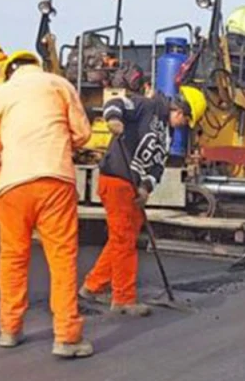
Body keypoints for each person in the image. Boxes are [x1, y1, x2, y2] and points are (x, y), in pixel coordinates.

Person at [0, 50, 94, 359]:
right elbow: (83, 134)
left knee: (13, 257)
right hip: (55, 180)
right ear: (36, 66)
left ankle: (10, 329)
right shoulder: (59, 85)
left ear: (10, 71)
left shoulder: (2, 94)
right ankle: (67, 337)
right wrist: (68, 142)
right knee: (62, 258)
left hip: (13, 184)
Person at [79, 66, 196, 316]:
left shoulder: (167, 133)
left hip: (133, 188)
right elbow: (117, 103)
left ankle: (93, 285)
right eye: (185, 119)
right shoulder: (147, 106)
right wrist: (113, 120)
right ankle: (123, 298)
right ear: (178, 109)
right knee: (124, 241)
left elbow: (156, 167)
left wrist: (145, 188)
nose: (183, 125)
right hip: (117, 178)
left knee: (124, 237)